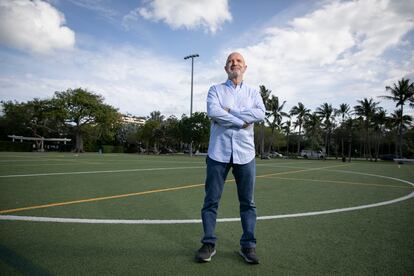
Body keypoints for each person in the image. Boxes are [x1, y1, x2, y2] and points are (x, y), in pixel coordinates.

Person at [195, 52, 265, 264]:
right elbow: (214, 112)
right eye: (230, 61)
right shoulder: (215, 90)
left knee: (248, 203)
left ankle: (248, 246)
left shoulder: (253, 92)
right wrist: (242, 120)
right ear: (226, 68)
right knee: (211, 201)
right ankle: (208, 243)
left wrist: (231, 111)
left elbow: (260, 114)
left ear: (245, 67)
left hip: (245, 154)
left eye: (238, 61)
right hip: (218, 153)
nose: (234, 63)